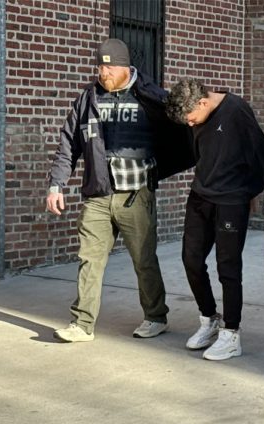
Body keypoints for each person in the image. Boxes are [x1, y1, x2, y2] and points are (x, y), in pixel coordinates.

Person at [47, 39, 190, 342]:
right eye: (100, 67)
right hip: (98, 193)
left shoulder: (150, 97)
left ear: (125, 67)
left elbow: (181, 133)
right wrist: (56, 184)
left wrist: (163, 167)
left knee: (143, 259)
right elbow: (68, 143)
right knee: (89, 258)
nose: (103, 73)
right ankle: (82, 324)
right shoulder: (88, 99)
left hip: (135, 194)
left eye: (109, 67)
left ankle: (155, 316)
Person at [164, 79, 264, 361]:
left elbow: (260, 153)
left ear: (202, 102)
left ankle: (232, 333)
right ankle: (210, 318)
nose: (190, 125)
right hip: (201, 196)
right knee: (191, 258)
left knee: (228, 266)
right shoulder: (196, 113)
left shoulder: (236, 111)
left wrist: (252, 193)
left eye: (191, 119)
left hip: (231, 200)